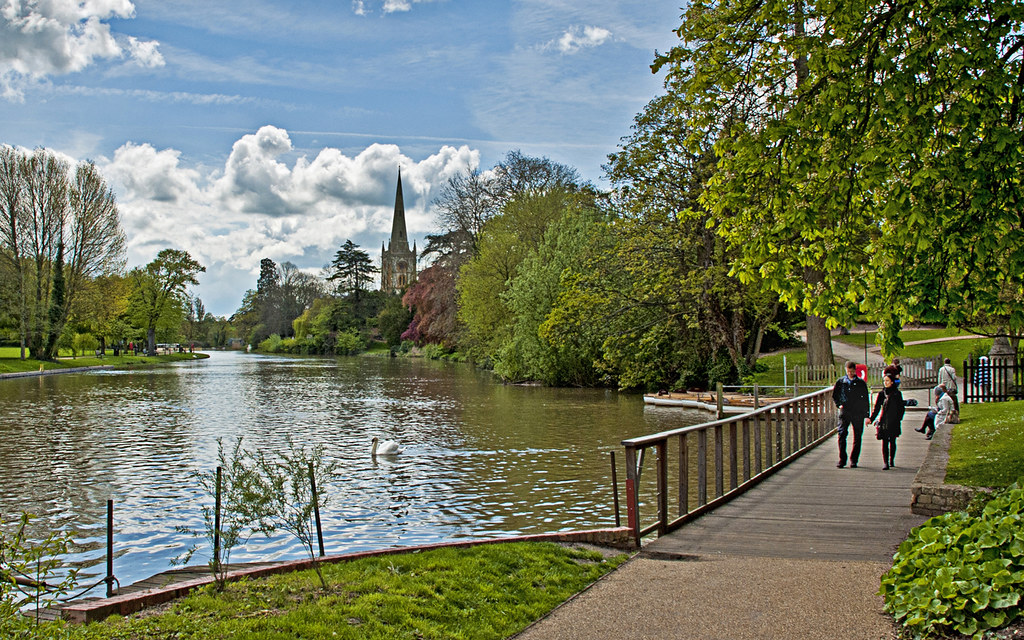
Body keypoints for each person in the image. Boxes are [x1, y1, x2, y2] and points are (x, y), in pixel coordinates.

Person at [832, 361, 871, 468]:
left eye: (852, 371)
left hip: (857, 412)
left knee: (857, 436)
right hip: (845, 411)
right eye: (848, 371)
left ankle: (854, 459)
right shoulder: (841, 382)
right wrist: (839, 404)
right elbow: (835, 395)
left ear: (855, 370)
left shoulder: (861, 383)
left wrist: (867, 414)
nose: (850, 373)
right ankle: (842, 459)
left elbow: (865, 399)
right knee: (842, 434)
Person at [869, 374, 905, 469]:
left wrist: (899, 418)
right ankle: (885, 462)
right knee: (884, 441)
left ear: (892, 382)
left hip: (894, 420)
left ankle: (891, 459)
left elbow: (901, 408)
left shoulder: (897, 394)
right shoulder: (882, 394)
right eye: (884, 381)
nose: (885, 383)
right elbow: (877, 408)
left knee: (892, 440)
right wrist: (871, 418)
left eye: (887, 381)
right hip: (884, 420)